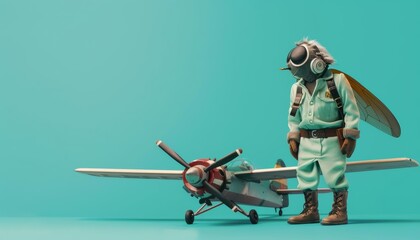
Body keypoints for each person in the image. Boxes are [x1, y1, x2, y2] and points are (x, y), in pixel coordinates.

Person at [282, 39, 360, 225]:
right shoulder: (297, 88)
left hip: (332, 138)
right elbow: (293, 115)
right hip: (307, 139)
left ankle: (340, 211)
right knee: (304, 174)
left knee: (335, 175)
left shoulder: (337, 81)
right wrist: (293, 137)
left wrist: (350, 135)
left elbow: (351, 110)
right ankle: (311, 210)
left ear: (317, 63)